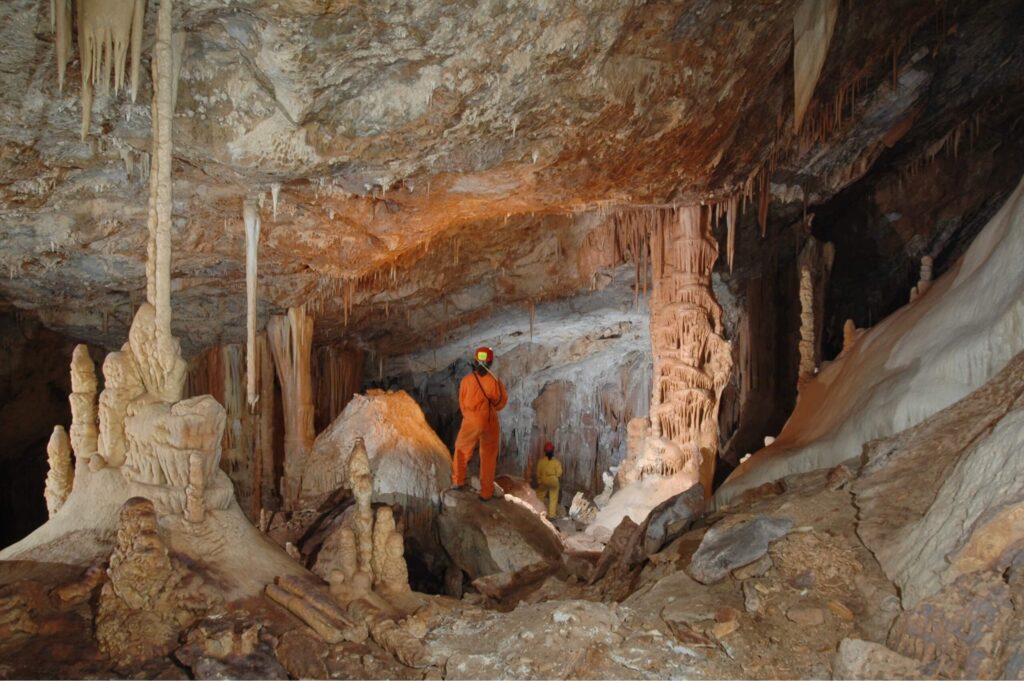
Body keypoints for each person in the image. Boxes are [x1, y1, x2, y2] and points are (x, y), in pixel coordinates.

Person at [451, 346, 508, 501]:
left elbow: (462, 402)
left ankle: (458, 481)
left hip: (471, 419)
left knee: (462, 449)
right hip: (489, 420)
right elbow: (501, 402)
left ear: (475, 362)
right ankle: (486, 492)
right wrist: (487, 409)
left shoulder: (466, 381)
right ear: (490, 362)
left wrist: (470, 416)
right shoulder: (494, 380)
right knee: (488, 456)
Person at [535, 441, 563, 519]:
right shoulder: (556, 462)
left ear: (545, 452)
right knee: (553, 497)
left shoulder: (541, 461)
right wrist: (554, 477)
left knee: (540, 494)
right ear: (553, 451)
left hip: (544, 479)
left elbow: (538, 472)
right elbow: (559, 473)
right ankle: (551, 515)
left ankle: (537, 510)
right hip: (553, 480)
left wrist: (539, 480)